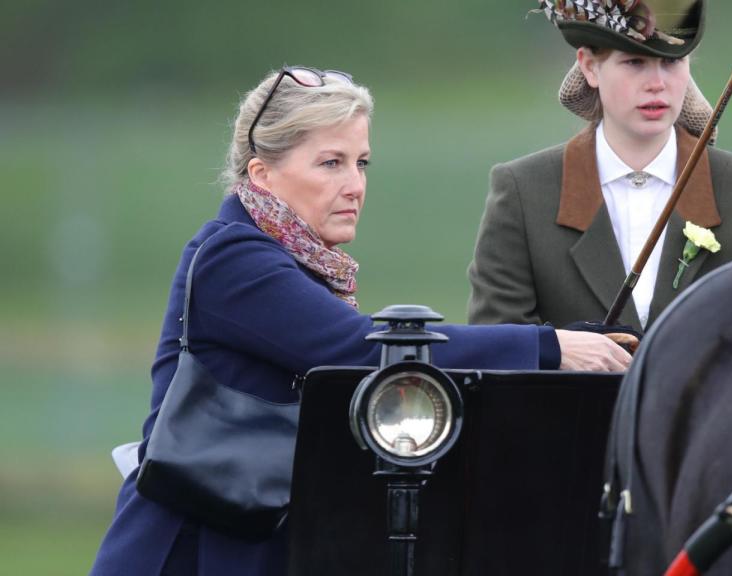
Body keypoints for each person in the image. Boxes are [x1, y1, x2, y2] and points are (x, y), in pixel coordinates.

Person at [89, 66, 631, 576]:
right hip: (186, 550)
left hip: (250, 541)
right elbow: (359, 350)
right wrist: (544, 348)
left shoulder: (300, 262)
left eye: (361, 162)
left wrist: (564, 343)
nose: (355, 184)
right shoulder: (234, 257)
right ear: (262, 173)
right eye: (331, 163)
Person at [468, 0, 732, 332]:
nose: (657, 83)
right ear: (590, 67)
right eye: (634, 62)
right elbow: (494, 343)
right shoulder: (523, 190)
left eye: (672, 62)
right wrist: (556, 349)